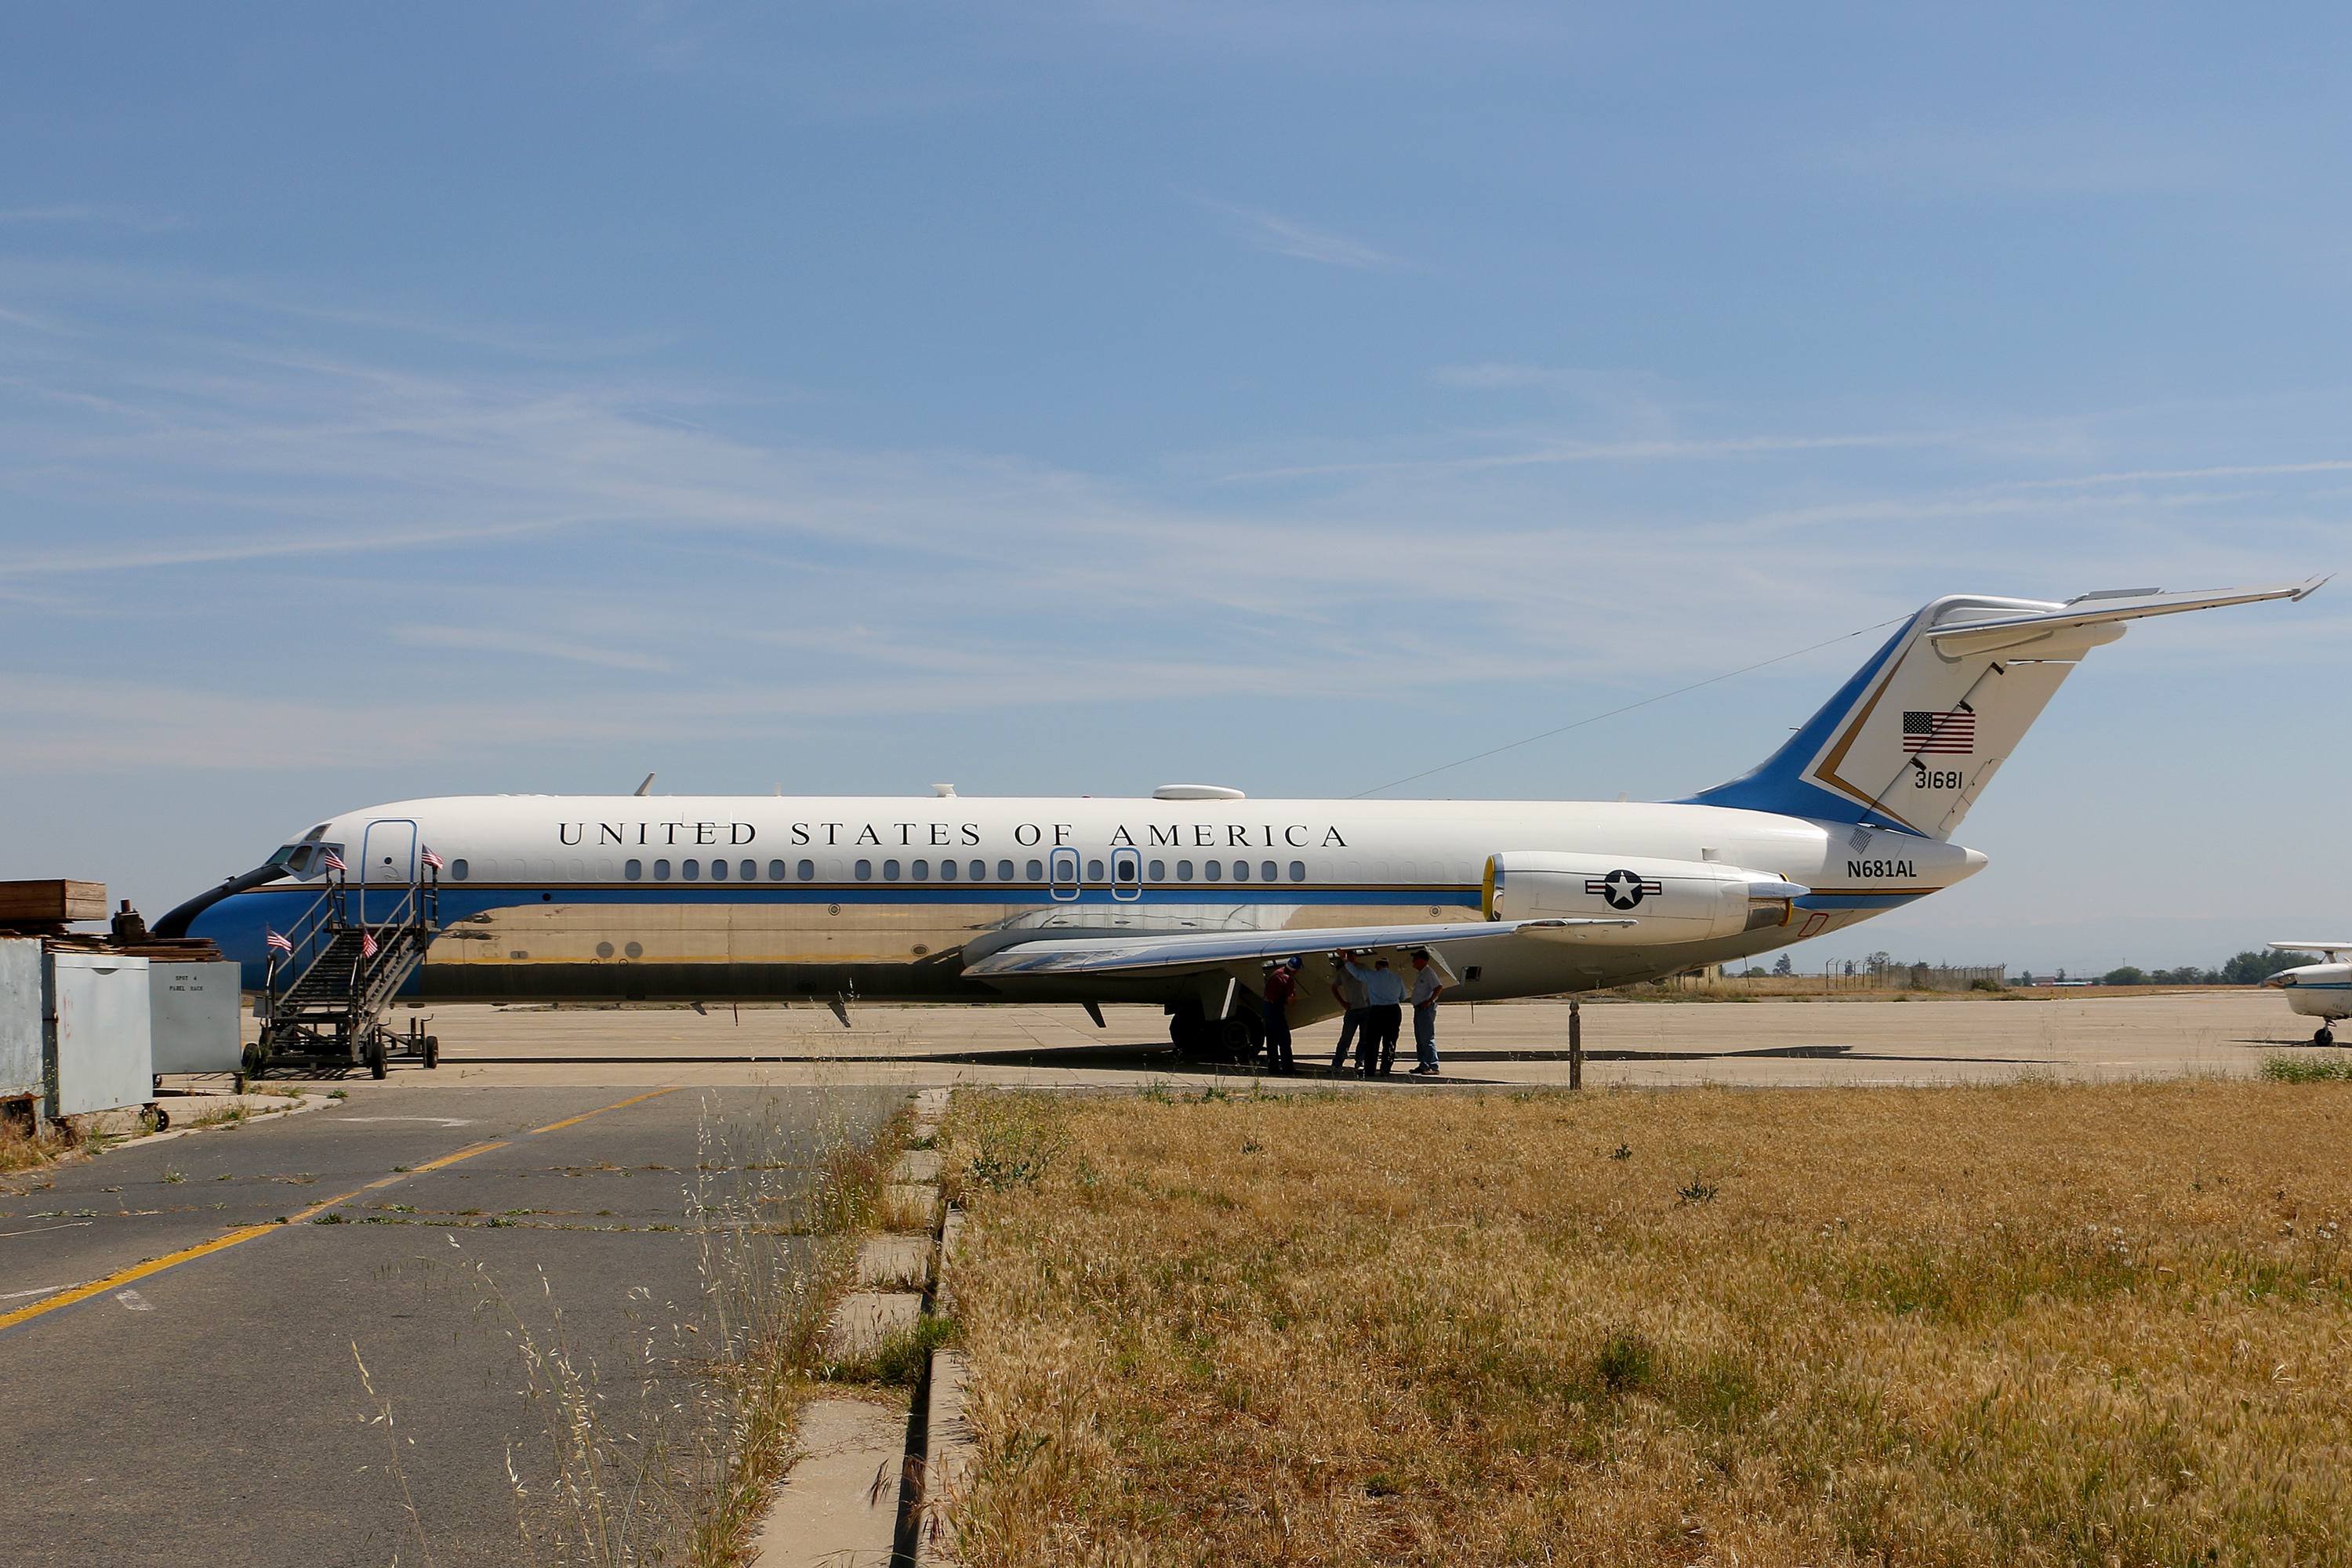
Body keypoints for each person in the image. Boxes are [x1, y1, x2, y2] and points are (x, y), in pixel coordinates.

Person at [1341, 951, 1407, 1076]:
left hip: (1378, 1010)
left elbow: (1356, 973)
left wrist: (1345, 959)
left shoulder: (1372, 976)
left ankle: (1369, 1069)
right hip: (1393, 1010)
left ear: (1377, 966)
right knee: (1390, 1041)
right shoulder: (1397, 978)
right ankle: (1385, 1069)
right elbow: (1403, 996)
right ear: (1387, 966)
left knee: (1372, 1041)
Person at [1329, 954, 1368, 1076]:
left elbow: (1375, 980)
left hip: (1366, 1008)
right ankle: (1337, 1063)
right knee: (1346, 1037)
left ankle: (1360, 1062)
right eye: (1348, 958)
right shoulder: (1342, 972)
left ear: (1355, 957)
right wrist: (1342, 1002)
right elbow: (1334, 987)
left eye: (1352, 957)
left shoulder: (1364, 967)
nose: (1351, 960)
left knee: (1365, 1037)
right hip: (1352, 1009)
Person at [1407, 950, 1444, 1076]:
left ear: (1423, 960)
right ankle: (1424, 1064)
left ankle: (1433, 1065)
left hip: (1425, 1010)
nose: (1413, 961)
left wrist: (1429, 1001)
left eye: (1416, 958)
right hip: (1418, 1009)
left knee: (1427, 1038)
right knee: (1420, 1038)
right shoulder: (1421, 974)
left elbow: (1438, 987)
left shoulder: (1429, 972)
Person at [1261, 956, 1300, 1074]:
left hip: (1266, 1005)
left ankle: (1273, 1068)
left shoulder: (1278, 972)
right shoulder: (1288, 979)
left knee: (1272, 1039)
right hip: (1275, 1009)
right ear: (1296, 970)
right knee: (1284, 1039)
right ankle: (1288, 1068)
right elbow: (1291, 1001)